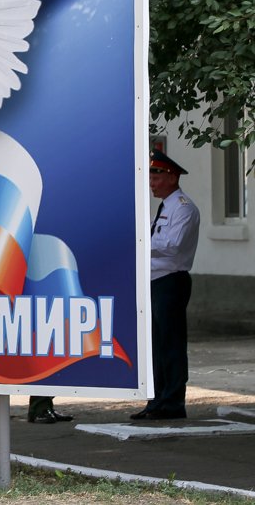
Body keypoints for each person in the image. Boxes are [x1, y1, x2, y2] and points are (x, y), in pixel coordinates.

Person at [130, 149, 201, 420]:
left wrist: (141, 242)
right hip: (155, 281)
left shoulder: (183, 208)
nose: (151, 183)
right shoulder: (165, 208)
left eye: (156, 177)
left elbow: (173, 245)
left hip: (171, 281)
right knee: (155, 346)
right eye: (150, 177)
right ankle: (157, 401)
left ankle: (172, 403)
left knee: (171, 344)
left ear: (172, 177)